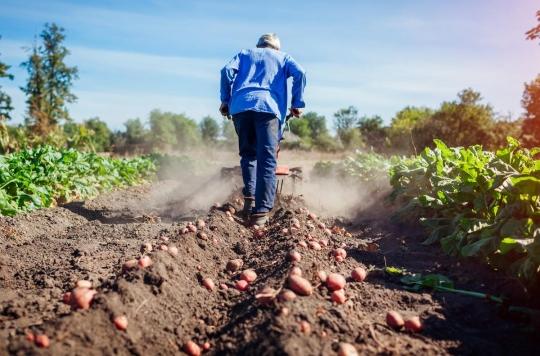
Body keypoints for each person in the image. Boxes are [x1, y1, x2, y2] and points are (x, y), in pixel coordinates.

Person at [220, 33, 306, 225]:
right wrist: (296, 103)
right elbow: (300, 73)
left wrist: (225, 100)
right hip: (269, 108)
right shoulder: (283, 57)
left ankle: (250, 200)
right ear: (276, 48)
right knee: (267, 159)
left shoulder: (244, 54)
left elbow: (226, 71)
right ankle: (260, 213)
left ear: (259, 46)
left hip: (241, 107)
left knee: (248, 155)